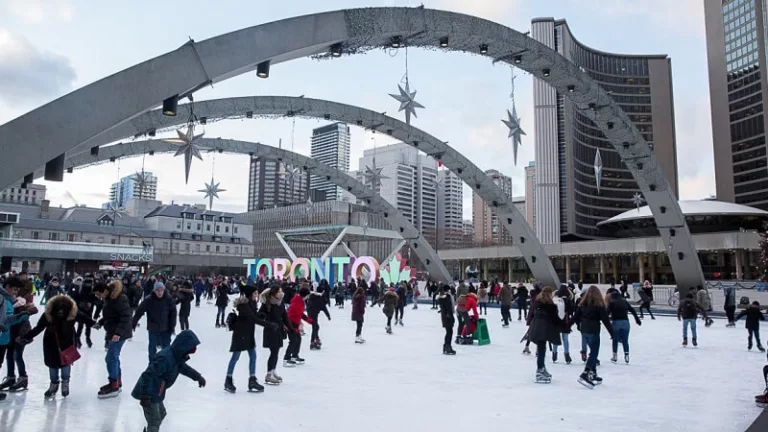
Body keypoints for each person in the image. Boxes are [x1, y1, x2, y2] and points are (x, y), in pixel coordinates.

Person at [17, 294, 94, 398]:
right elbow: (38, 328)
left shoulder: (73, 313)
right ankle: (54, 384)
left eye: (63, 310)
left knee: (66, 362)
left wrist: (94, 324)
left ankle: (65, 383)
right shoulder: (48, 315)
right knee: (52, 364)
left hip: (67, 342)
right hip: (51, 343)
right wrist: (26, 337)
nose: (61, 312)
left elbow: (85, 318)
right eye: (58, 309)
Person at [132, 330, 206, 432]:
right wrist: (145, 395)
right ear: (183, 347)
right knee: (154, 421)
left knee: (161, 414)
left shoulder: (176, 357)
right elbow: (148, 375)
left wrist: (197, 377)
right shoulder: (165, 358)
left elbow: (184, 368)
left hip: (157, 391)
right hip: (149, 392)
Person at [225, 285, 269, 393]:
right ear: (250, 294)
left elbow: (254, 316)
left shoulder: (252, 304)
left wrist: (261, 315)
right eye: (254, 293)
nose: (256, 295)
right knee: (235, 357)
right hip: (240, 334)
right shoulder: (243, 305)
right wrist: (268, 325)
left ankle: (252, 380)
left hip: (248, 334)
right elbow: (252, 318)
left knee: (253, 356)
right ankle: (228, 380)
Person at [92, 280, 132, 398]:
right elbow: (110, 315)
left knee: (110, 358)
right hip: (113, 331)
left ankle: (113, 384)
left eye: (99, 294)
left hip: (119, 333)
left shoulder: (120, 298)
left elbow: (126, 316)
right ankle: (117, 382)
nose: (98, 297)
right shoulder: (109, 298)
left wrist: (118, 333)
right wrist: (100, 322)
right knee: (114, 357)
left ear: (104, 291)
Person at [1, 276, 37, 393]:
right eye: (14, 290)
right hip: (8, 334)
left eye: (17, 290)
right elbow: (7, 319)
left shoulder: (14, 301)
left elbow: (20, 321)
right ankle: (12, 377)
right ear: (7, 287)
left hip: (16, 335)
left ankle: (21, 378)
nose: (15, 292)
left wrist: (23, 335)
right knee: (10, 356)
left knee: (16, 356)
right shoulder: (6, 299)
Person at [573, 286, 614, 389]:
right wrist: (613, 334)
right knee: (594, 353)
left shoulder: (582, 304)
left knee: (592, 352)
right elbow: (606, 320)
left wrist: (567, 326)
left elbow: (575, 317)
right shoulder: (599, 306)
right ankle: (586, 373)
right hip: (593, 331)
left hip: (584, 331)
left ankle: (593, 374)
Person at [132, 281, 177, 362]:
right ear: (154, 291)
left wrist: (172, 326)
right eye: (157, 290)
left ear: (164, 290)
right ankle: (152, 366)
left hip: (166, 328)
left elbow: (173, 313)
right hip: (153, 327)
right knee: (152, 349)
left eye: (161, 290)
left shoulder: (168, 299)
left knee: (166, 349)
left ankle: (166, 365)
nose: (159, 292)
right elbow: (139, 311)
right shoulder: (149, 300)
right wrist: (134, 322)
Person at [258, 287, 293, 385]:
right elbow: (260, 315)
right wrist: (263, 316)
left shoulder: (280, 303)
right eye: (279, 291)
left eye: (281, 291)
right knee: (273, 352)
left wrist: (291, 329)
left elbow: (285, 317)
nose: (281, 293)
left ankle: (273, 371)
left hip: (279, 330)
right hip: (270, 330)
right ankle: (268, 375)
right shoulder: (267, 303)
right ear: (274, 293)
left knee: (276, 352)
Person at [528, 286, 563, 383]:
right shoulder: (550, 306)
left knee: (541, 350)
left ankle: (542, 367)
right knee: (541, 351)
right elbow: (555, 319)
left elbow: (532, 315)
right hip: (542, 330)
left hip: (536, 328)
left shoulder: (537, 303)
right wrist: (565, 325)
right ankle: (540, 370)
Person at [607, 290, 642, 364]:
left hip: (616, 322)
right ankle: (626, 356)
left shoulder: (612, 302)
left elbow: (607, 312)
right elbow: (632, 310)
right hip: (625, 322)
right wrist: (637, 319)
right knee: (625, 340)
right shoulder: (624, 302)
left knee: (615, 340)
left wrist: (606, 320)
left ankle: (615, 356)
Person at [285, 287, 312, 367]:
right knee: (293, 341)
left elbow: (301, 314)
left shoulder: (300, 301)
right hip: (291, 325)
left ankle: (294, 356)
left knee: (298, 340)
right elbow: (290, 315)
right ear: (305, 295)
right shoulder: (297, 302)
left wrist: (309, 320)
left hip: (294, 325)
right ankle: (286, 358)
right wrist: (293, 326)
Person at [551, 284, 575, 364]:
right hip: (565, 321)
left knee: (555, 338)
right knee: (565, 338)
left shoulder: (556, 300)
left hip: (557, 321)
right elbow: (571, 311)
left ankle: (554, 354)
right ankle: (567, 355)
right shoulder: (568, 300)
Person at [306, 285, 331, 350]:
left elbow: (308, 305)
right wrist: (328, 316)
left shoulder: (311, 297)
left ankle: (316, 339)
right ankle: (313, 341)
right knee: (315, 327)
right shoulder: (319, 299)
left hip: (310, 314)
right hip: (314, 314)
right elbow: (324, 308)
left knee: (315, 327)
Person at [438, 285, 456, 355]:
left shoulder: (442, 297)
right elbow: (449, 308)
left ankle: (446, 346)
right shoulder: (447, 297)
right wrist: (451, 317)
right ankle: (448, 347)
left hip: (444, 316)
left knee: (448, 332)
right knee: (449, 332)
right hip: (448, 317)